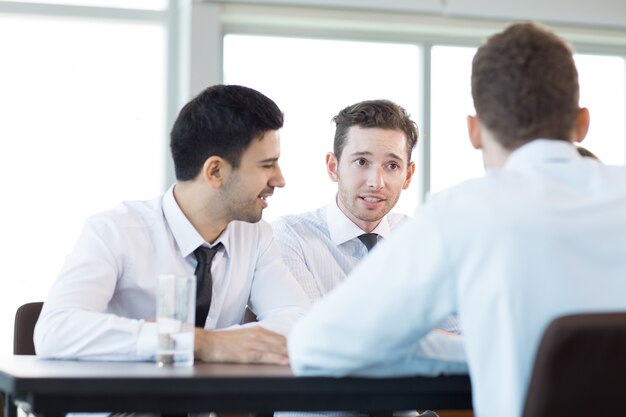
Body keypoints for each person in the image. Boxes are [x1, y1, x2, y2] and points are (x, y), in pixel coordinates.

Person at [288, 22, 626, 417]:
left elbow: (315, 346)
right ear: (582, 122)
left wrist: (487, 349)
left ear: (474, 131)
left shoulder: (461, 214)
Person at [34, 84, 310, 364]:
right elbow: (54, 331)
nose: (280, 180)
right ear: (215, 171)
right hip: (121, 406)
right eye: (267, 165)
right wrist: (195, 342)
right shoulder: (115, 231)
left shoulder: (255, 236)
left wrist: (223, 343)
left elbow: (297, 320)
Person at [273, 99, 465, 366]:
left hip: (404, 407)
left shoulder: (420, 237)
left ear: (408, 175)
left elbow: (462, 337)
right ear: (333, 167)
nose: (376, 182)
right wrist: (416, 334)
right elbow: (314, 342)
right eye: (361, 161)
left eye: (392, 166)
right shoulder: (291, 236)